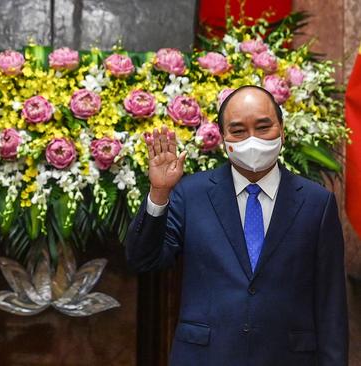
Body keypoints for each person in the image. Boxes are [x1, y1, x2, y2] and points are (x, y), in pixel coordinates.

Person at [125, 85, 348, 365]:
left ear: (282, 131)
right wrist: (159, 193)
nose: (251, 139)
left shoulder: (317, 203)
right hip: (205, 356)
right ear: (223, 139)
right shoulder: (191, 194)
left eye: (263, 127)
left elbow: (331, 305)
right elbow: (142, 260)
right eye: (239, 131)